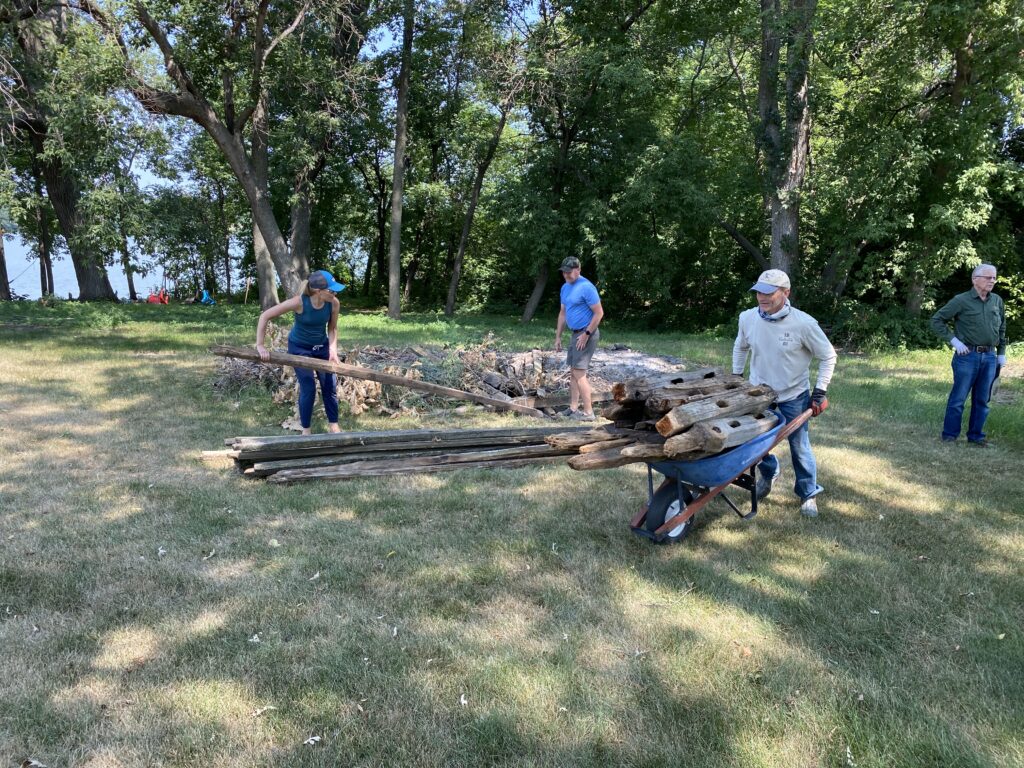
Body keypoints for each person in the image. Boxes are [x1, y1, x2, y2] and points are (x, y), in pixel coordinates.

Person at [732, 269, 837, 518]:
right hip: (758, 394)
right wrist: (736, 378)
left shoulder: (803, 324)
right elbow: (740, 346)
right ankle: (769, 472)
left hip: (793, 395)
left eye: (769, 292)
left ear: (786, 293)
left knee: (799, 447)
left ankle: (808, 494)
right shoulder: (748, 318)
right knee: (753, 442)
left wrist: (820, 391)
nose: (762, 297)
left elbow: (829, 356)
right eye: (758, 292)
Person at [256, 270, 345, 436]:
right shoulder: (299, 302)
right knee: (308, 387)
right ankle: (306, 430)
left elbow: (332, 328)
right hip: (300, 348)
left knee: (329, 386)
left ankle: (334, 426)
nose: (335, 293)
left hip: (322, 347)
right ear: (319, 291)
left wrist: (333, 348)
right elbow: (265, 316)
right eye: (332, 290)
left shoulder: (334, 303)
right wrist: (260, 345)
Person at [929, 264, 1007, 446]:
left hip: (989, 357)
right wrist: (955, 341)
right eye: (988, 277)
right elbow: (936, 320)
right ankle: (949, 436)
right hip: (967, 357)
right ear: (975, 279)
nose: (992, 281)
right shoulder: (961, 300)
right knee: (958, 399)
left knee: (982, 400)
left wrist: (1001, 353)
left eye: (994, 278)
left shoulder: (997, 301)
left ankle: (976, 437)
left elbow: (1002, 328)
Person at [554, 256, 604, 421]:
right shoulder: (565, 288)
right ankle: (573, 408)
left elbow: (599, 313)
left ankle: (589, 413)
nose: (566, 275)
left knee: (579, 373)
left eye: (569, 272)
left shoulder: (586, 287)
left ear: (578, 270)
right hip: (575, 333)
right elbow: (563, 313)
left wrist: (586, 334)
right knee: (573, 372)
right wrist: (558, 336)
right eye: (564, 272)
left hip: (587, 333)